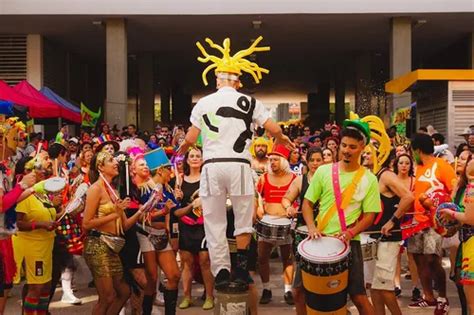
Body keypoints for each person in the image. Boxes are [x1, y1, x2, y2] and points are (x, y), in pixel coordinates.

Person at [177, 36, 292, 291]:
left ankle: (220, 272)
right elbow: (273, 128)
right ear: (238, 81)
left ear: (218, 79)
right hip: (240, 165)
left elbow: (191, 137)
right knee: (242, 219)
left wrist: (183, 147)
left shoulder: (204, 102)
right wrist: (283, 137)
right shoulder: (251, 102)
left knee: (214, 220)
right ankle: (240, 269)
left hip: (213, 166)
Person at [302, 114, 383, 315]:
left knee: (359, 297)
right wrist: (311, 227)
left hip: (349, 243)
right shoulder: (323, 171)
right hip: (318, 240)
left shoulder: (369, 179)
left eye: (352, 147)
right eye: (344, 145)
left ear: (362, 148)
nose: (347, 150)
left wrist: (350, 232)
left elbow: (370, 216)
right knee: (300, 292)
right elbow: (307, 203)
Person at [82, 151, 144, 314]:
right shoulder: (95, 189)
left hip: (113, 246)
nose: (116, 162)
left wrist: (141, 211)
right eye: (110, 160)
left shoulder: (113, 191)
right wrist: (115, 213)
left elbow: (123, 226)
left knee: (124, 292)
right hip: (97, 245)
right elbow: (86, 223)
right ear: (100, 167)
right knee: (107, 296)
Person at [408, 133, 456, 314]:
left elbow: (454, 190)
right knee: (419, 259)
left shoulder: (442, 166)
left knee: (432, 259)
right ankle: (428, 296)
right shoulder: (416, 168)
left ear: (418, 150)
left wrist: (447, 216)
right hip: (415, 222)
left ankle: (443, 298)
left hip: (435, 224)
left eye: (412, 150)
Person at [12, 151, 63, 315]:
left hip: (46, 247)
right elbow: (17, 223)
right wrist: (40, 224)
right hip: (32, 247)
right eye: (38, 169)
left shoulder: (41, 192)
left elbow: (49, 214)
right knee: (36, 288)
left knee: (46, 287)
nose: (42, 171)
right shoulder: (24, 194)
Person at [369, 152, 414, 315]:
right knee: (374, 288)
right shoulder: (369, 173)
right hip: (373, 236)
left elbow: (408, 197)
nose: (366, 154)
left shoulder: (386, 174)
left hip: (388, 238)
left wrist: (393, 220)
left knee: (385, 288)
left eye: (370, 151)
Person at [136, 149, 181, 315]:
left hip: (162, 236)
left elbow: (176, 211)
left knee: (174, 275)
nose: (171, 172)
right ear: (161, 170)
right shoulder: (143, 190)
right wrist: (163, 213)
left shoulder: (167, 189)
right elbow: (143, 216)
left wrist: (193, 205)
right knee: (152, 279)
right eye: (169, 168)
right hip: (146, 235)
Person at [281, 147, 324, 315]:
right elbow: (286, 199)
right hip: (303, 235)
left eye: (318, 160)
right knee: (300, 285)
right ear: (307, 161)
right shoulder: (300, 180)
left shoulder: (331, 179)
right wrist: (289, 207)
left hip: (326, 233)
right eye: (312, 160)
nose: (315, 163)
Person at [173, 148, 214, 310]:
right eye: (192, 156)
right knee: (187, 262)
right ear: (187, 160)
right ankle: (187, 296)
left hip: (204, 225)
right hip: (186, 225)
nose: (195, 158)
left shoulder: (208, 179)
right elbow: (176, 208)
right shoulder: (179, 180)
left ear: (203, 159)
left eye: (198, 156)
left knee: (205, 261)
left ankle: (210, 296)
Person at [256, 144, 296, 305]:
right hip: (267, 221)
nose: (271, 162)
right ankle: (266, 288)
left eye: (275, 159)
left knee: (287, 258)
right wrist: (258, 206)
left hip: (286, 224)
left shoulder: (294, 178)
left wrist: (293, 209)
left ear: (284, 161)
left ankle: (288, 290)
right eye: (270, 159)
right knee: (262, 257)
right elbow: (257, 194)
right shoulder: (264, 177)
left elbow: (299, 198)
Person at [0, 168, 38, 314]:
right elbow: (1, 205)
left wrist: (33, 188)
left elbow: (9, 200)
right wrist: (21, 185)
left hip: (4, 239)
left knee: (5, 287)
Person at [440, 155, 474, 313]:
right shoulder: (463, 188)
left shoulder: (471, 188)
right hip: (466, 242)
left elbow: (469, 218)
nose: (467, 163)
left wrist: (451, 214)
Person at [393, 154, 421, 301]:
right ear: (396, 165)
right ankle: (396, 285)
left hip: (411, 220)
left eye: (407, 163)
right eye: (401, 163)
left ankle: (416, 287)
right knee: (395, 254)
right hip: (395, 221)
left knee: (412, 256)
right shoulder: (392, 180)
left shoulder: (414, 181)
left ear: (411, 166)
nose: (404, 166)